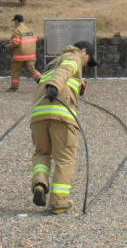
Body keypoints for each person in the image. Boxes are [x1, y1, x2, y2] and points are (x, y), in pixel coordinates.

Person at [29, 40, 97, 214]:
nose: (86, 64)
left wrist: (80, 89)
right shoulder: (73, 56)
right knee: (65, 158)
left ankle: (40, 184)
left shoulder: (54, 64)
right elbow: (66, 71)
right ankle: (59, 202)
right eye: (88, 59)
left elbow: (63, 77)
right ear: (84, 51)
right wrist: (54, 86)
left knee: (42, 153)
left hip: (38, 117)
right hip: (61, 116)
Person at [5, 13, 41, 91]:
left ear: (16, 21)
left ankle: (14, 87)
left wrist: (6, 46)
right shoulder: (30, 29)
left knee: (15, 70)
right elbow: (35, 39)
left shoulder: (17, 30)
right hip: (31, 55)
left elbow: (16, 43)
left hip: (20, 56)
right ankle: (42, 82)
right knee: (32, 70)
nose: (14, 23)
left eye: (14, 21)